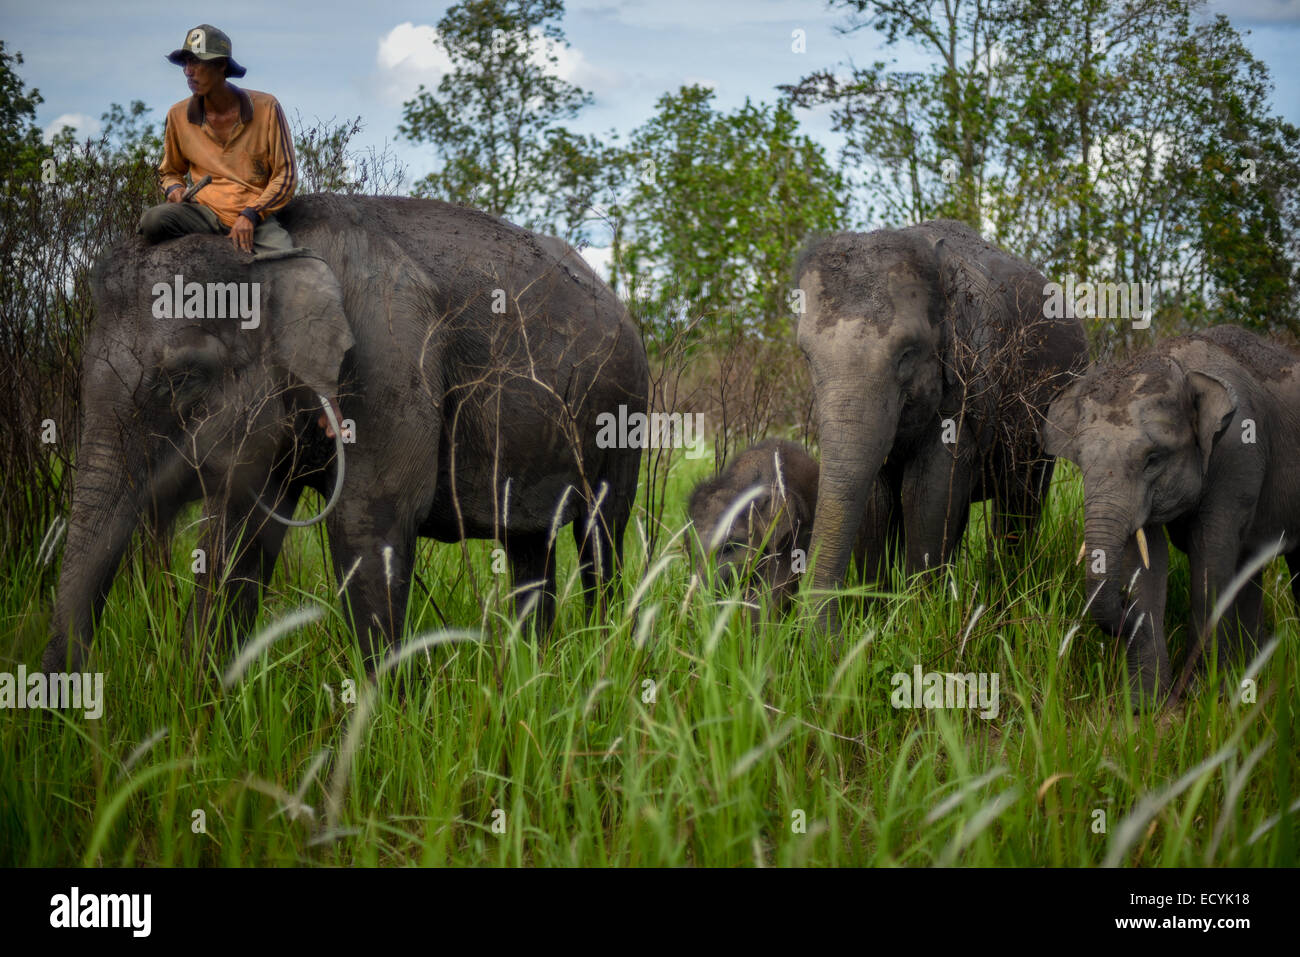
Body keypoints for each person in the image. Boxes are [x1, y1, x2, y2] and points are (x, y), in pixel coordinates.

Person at [138, 24, 296, 254]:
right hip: (204, 212)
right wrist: (174, 189)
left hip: (253, 212)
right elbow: (170, 170)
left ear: (221, 65)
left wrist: (251, 215)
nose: (188, 72)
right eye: (186, 63)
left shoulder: (267, 108)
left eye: (197, 62)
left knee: (287, 265)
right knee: (152, 221)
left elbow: (286, 175)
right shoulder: (177, 115)